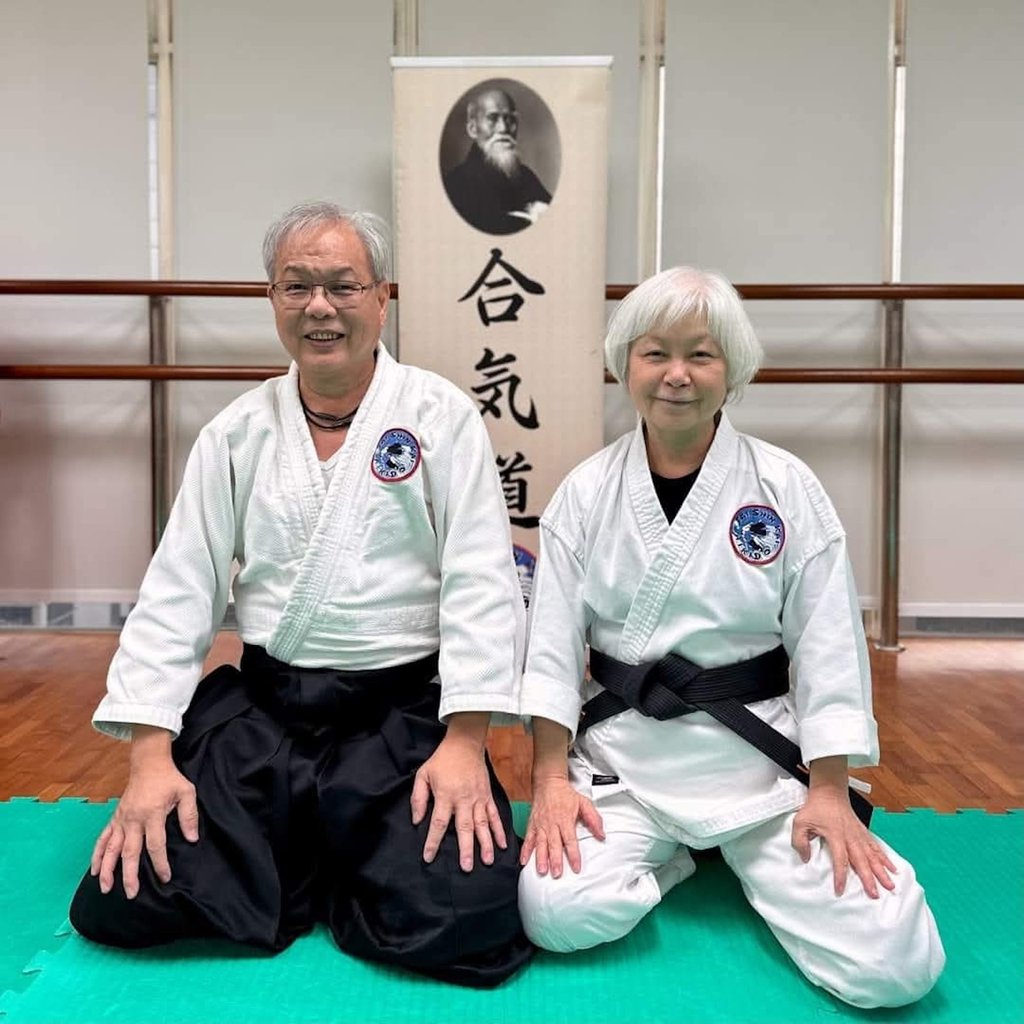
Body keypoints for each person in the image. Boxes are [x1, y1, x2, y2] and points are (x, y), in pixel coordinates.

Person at [69, 201, 533, 987]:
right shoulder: (237, 433)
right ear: (273, 299)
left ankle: (320, 856)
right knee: (128, 896)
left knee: (467, 924)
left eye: (342, 286)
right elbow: (179, 588)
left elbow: (482, 581)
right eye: (298, 286)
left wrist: (465, 742)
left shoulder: (439, 417)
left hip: (402, 719)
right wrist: (151, 756)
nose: (320, 307)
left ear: (382, 297)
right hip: (269, 715)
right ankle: (323, 855)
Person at [516, 267, 945, 1008]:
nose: (676, 375)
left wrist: (831, 790)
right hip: (627, 763)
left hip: (761, 770)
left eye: (701, 355)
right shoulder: (585, 493)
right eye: (655, 353)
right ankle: (682, 859)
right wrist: (551, 783)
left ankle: (729, 853)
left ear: (734, 370)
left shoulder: (786, 487)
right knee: (554, 912)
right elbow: (551, 650)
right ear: (624, 364)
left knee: (897, 966)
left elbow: (829, 647)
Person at [443, 87, 551, 235]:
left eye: (509, 119)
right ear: (472, 129)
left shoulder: (526, 176)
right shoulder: (456, 182)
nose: (503, 128)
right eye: (493, 119)